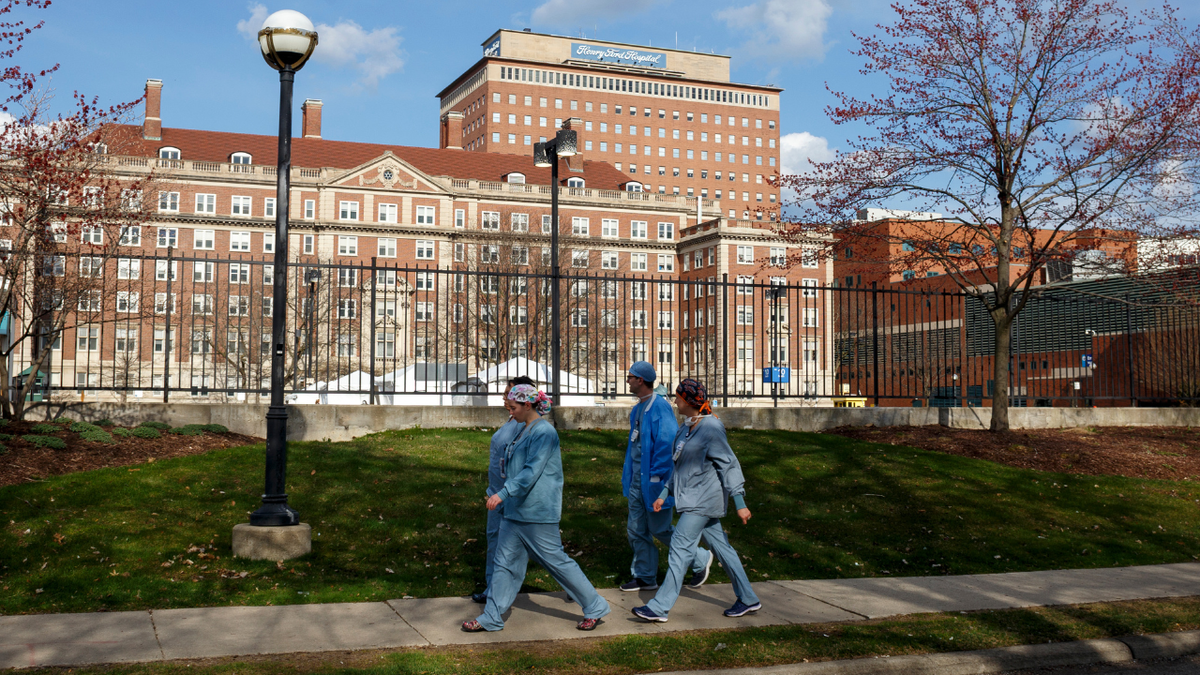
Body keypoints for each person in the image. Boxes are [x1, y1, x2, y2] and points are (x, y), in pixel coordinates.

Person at [462, 385, 611, 632]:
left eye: (513, 407)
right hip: (515, 511)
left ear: (528, 405)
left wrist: (503, 493)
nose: (510, 412)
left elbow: (531, 471)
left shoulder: (544, 432)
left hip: (538, 512)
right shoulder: (523, 429)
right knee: (504, 564)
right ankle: (491, 617)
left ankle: (595, 606)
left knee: (557, 563)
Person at [632, 378, 761, 622]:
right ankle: (749, 598)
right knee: (724, 550)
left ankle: (659, 607)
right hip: (692, 498)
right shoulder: (685, 427)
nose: (675, 401)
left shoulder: (711, 428)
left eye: (678, 397)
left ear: (688, 401)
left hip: (702, 501)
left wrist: (740, 503)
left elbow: (729, 465)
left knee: (680, 548)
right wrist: (663, 494)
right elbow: (678, 466)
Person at [621, 361, 713, 593]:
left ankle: (700, 559)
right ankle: (644, 576)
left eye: (630, 376)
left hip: (654, 482)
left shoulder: (659, 408)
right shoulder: (637, 409)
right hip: (636, 482)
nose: (628, 380)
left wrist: (657, 478)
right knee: (636, 529)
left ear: (641, 380)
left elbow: (666, 445)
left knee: (660, 529)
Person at [473, 375, 536, 604]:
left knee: (537, 549)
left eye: (509, 393)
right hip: (496, 494)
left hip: (510, 496)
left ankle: (574, 587)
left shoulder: (530, 426)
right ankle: (493, 590)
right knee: (495, 541)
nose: (504, 397)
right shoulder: (511, 422)